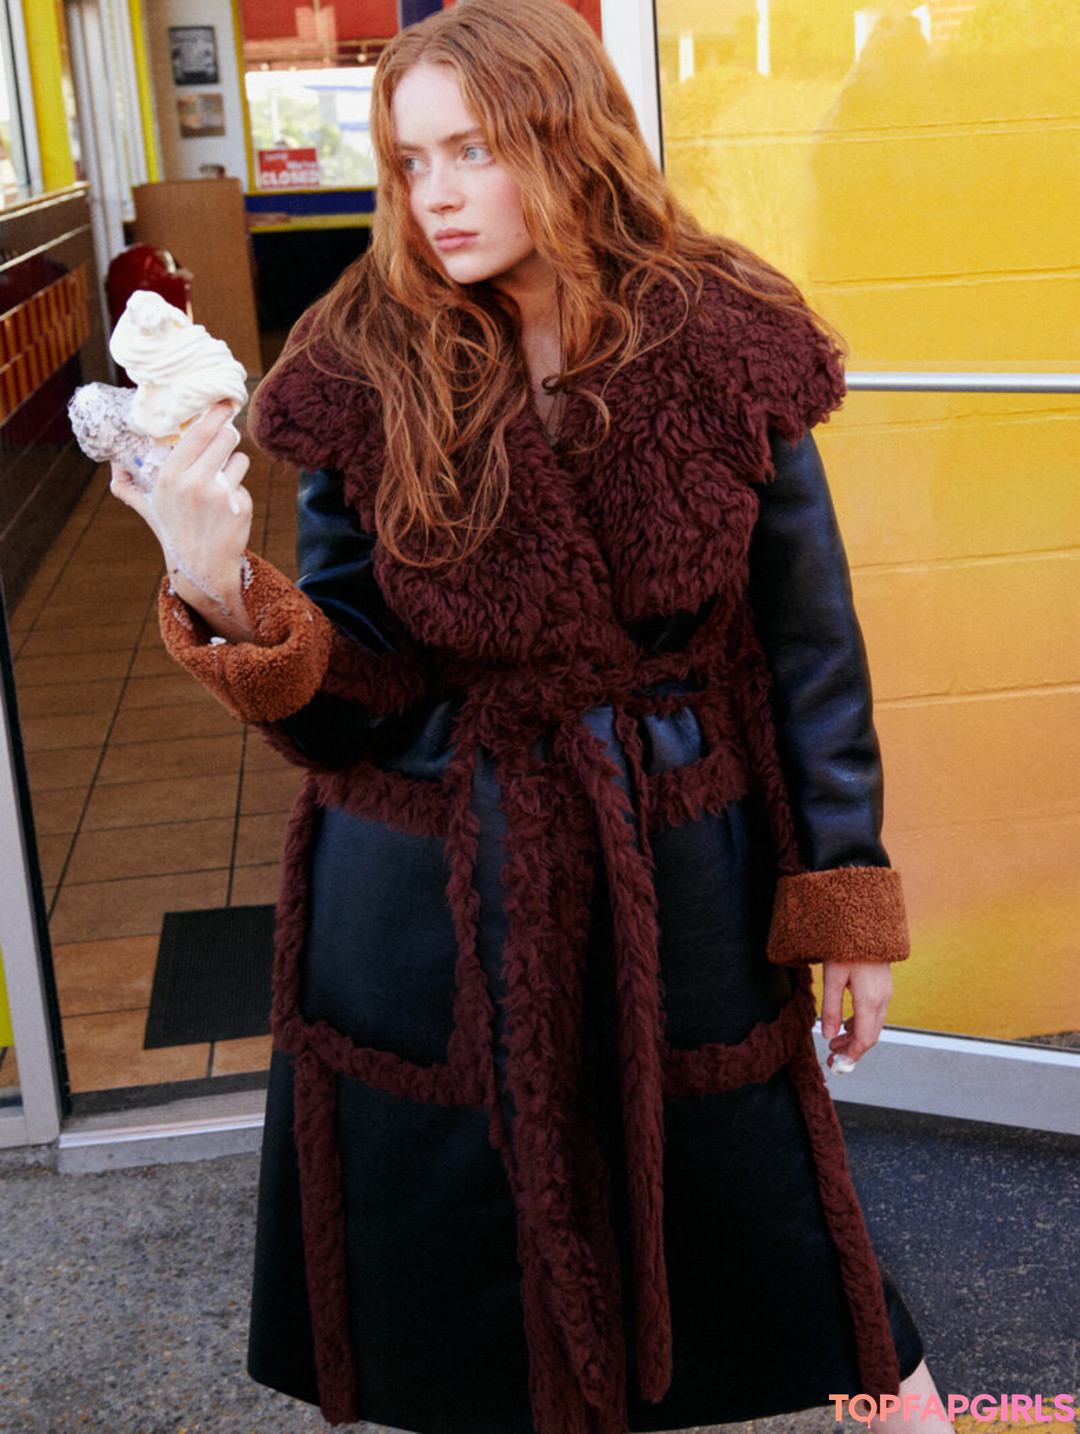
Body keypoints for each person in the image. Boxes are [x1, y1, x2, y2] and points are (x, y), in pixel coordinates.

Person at [110, 2, 955, 1431]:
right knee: (467, 1252)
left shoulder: (726, 334)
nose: (433, 194)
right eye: (409, 160)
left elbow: (811, 650)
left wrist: (845, 898)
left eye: (474, 150)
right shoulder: (360, 362)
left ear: (569, 140)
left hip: (673, 854)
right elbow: (355, 691)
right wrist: (221, 586)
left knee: (758, 1200)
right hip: (437, 875)